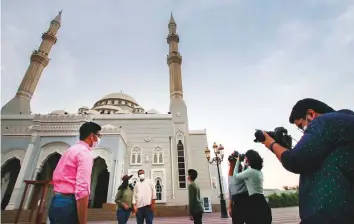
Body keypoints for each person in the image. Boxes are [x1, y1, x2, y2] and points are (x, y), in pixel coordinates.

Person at [261, 98, 354, 223]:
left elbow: (294, 160)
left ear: (311, 114)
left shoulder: (324, 121)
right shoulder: (346, 122)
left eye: (301, 126)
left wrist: (271, 144)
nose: (304, 131)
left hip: (327, 214)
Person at [48, 121, 102, 224]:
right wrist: (83, 221)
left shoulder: (70, 150)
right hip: (69, 204)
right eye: (98, 136)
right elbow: (82, 189)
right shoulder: (84, 153)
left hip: (56, 201)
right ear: (91, 136)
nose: (99, 139)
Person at [233, 150, 272, 224]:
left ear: (250, 159)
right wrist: (246, 165)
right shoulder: (259, 172)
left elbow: (235, 176)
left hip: (253, 201)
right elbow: (245, 177)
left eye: (247, 158)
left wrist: (238, 161)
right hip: (262, 200)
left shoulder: (250, 172)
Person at [228, 157, 248, 224]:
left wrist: (243, 161)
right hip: (236, 203)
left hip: (245, 201)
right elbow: (231, 193)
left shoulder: (242, 175)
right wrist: (229, 207)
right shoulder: (230, 178)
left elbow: (245, 167)